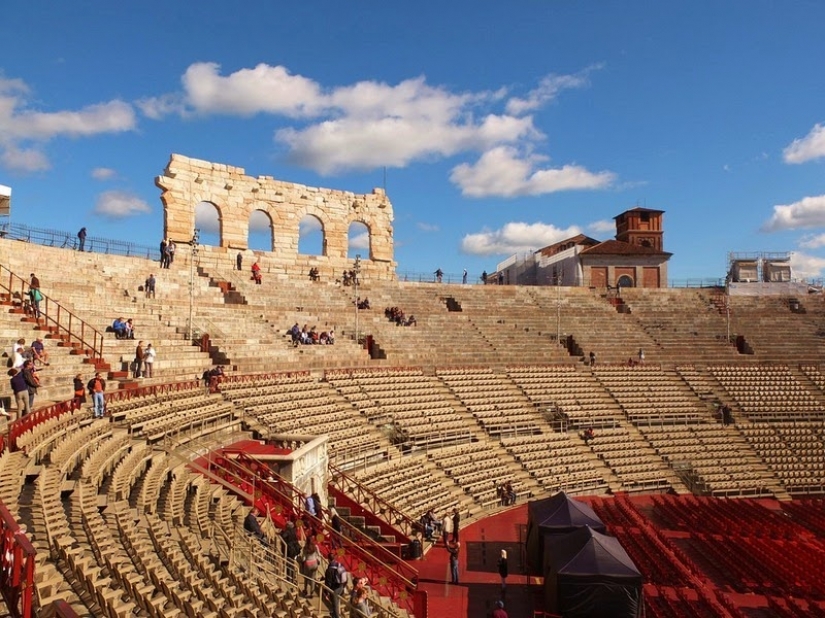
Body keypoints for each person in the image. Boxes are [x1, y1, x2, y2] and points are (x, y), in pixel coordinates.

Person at [324, 553, 348, 618]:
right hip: (341, 587)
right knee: (336, 603)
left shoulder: (329, 570)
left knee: (335, 605)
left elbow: (328, 582)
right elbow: (346, 577)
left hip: (335, 589)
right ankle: (334, 614)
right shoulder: (339, 565)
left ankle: (336, 616)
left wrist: (326, 592)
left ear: (328, 559)